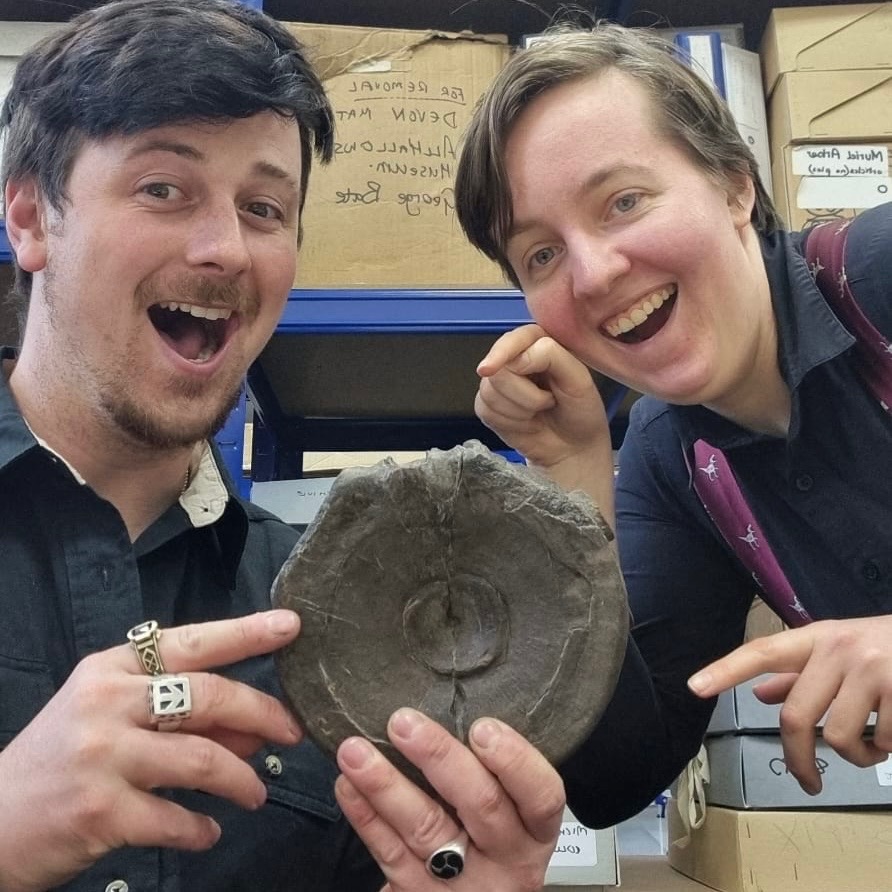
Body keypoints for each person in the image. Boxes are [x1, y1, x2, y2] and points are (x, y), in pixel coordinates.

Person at [0, 1, 565, 889]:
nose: (226, 247)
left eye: (264, 207)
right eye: (163, 188)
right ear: (31, 219)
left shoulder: (328, 617)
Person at [453, 22, 892, 828]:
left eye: (624, 202)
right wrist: (575, 481)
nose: (593, 273)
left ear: (733, 186)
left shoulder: (882, 273)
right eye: (541, 255)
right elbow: (616, 777)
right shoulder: (670, 462)